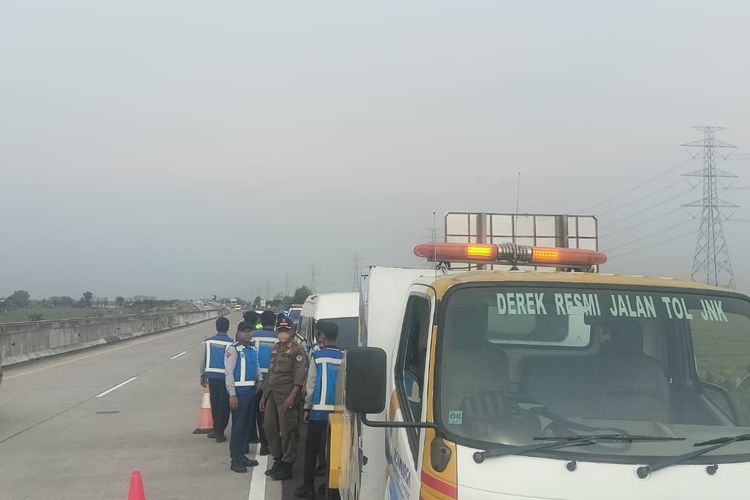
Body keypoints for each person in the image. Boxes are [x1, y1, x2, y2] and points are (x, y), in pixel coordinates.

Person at [295, 321, 342, 499]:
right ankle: (330, 486)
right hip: (338, 413)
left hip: (319, 412)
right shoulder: (344, 356)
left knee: (311, 450)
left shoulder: (317, 356)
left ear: (322, 335)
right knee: (333, 451)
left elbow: (311, 385)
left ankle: (308, 488)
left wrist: (307, 407)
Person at [261, 319, 307, 481]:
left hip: (287, 396)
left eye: (285, 330)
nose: (282, 332)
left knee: (288, 430)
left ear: (292, 331)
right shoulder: (275, 349)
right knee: (270, 427)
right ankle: (278, 459)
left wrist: (292, 397)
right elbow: (271, 373)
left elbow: (299, 378)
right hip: (272, 394)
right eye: (280, 329)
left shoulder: (297, 351)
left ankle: (287, 464)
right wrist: (264, 395)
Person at [225, 321, 261, 473]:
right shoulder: (233, 350)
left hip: (251, 392)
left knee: (247, 426)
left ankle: (242, 456)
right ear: (238, 333)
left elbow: (257, 365)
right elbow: (229, 373)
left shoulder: (252, 348)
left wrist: (260, 379)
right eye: (244, 331)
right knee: (238, 427)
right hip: (239, 394)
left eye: (249, 330)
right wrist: (232, 394)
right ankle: (235, 459)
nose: (247, 333)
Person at [200, 316, 233, 443]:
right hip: (226, 378)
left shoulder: (209, 342)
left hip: (212, 377)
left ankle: (216, 429)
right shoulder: (232, 343)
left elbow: (204, 360)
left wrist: (202, 375)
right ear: (228, 328)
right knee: (224, 405)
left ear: (216, 327)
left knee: (215, 403)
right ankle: (220, 431)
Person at [252, 310, 279, 455]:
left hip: (256, 381)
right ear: (274, 322)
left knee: (259, 413)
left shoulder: (253, 336)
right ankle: (272, 443)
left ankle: (263, 444)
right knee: (272, 414)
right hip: (274, 381)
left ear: (261, 322)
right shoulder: (279, 338)